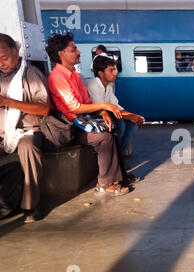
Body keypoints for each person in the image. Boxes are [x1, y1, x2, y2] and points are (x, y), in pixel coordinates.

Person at [45, 32, 130, 195]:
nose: (79, 52)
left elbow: (86, 101)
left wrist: (101, 111)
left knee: (112, 127)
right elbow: (75, 107)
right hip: (69, 127)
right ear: (61, 54)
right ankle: (105, 183)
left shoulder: (74, 75)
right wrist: (104, 105)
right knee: (104, 138)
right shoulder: (57, 77)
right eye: (73, 49)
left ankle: (119, 177)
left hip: (82, 121)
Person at [0, 33, 51, 223]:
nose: (1, 63)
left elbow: (44, 109)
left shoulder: (30, 74)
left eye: (4, 58)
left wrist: (7, 101)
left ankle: (31, 206)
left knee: (27, 148)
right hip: (3, 133)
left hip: (27, 131)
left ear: (16, 52)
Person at [87, 55, 145, 169]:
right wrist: (132, 116)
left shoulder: (108, 86)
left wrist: (134, 117)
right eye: (111, 70)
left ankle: (119, 157)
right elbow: (102, 108)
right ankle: (115, 161)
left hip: (108, 115)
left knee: (133, 125)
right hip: (95, 118)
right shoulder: (93, 85)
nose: (115, 73)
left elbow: (116, 106)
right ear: (101, 73)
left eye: (115, 69)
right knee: (121, 124)